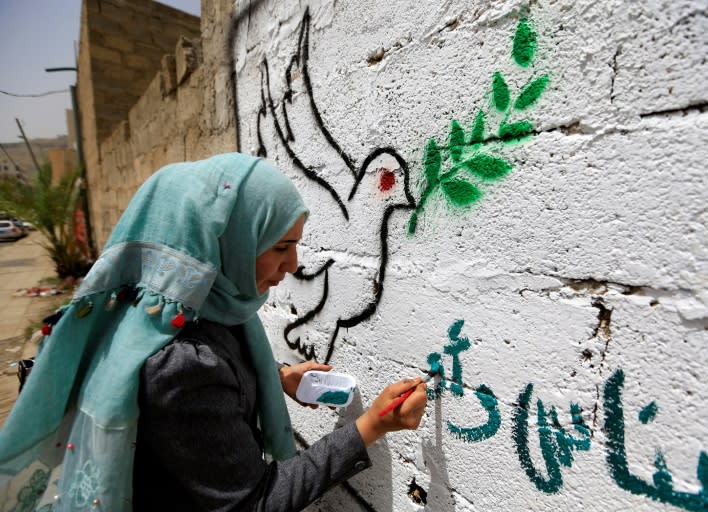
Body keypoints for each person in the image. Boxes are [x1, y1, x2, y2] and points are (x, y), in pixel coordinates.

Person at [0, 153, 428, 511]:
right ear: (222, 243)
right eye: (280, 246)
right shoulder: (181, 364)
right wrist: (371, 425)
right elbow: (257, 501)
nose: (294, 264)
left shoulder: (185, 310)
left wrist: (276, 377)